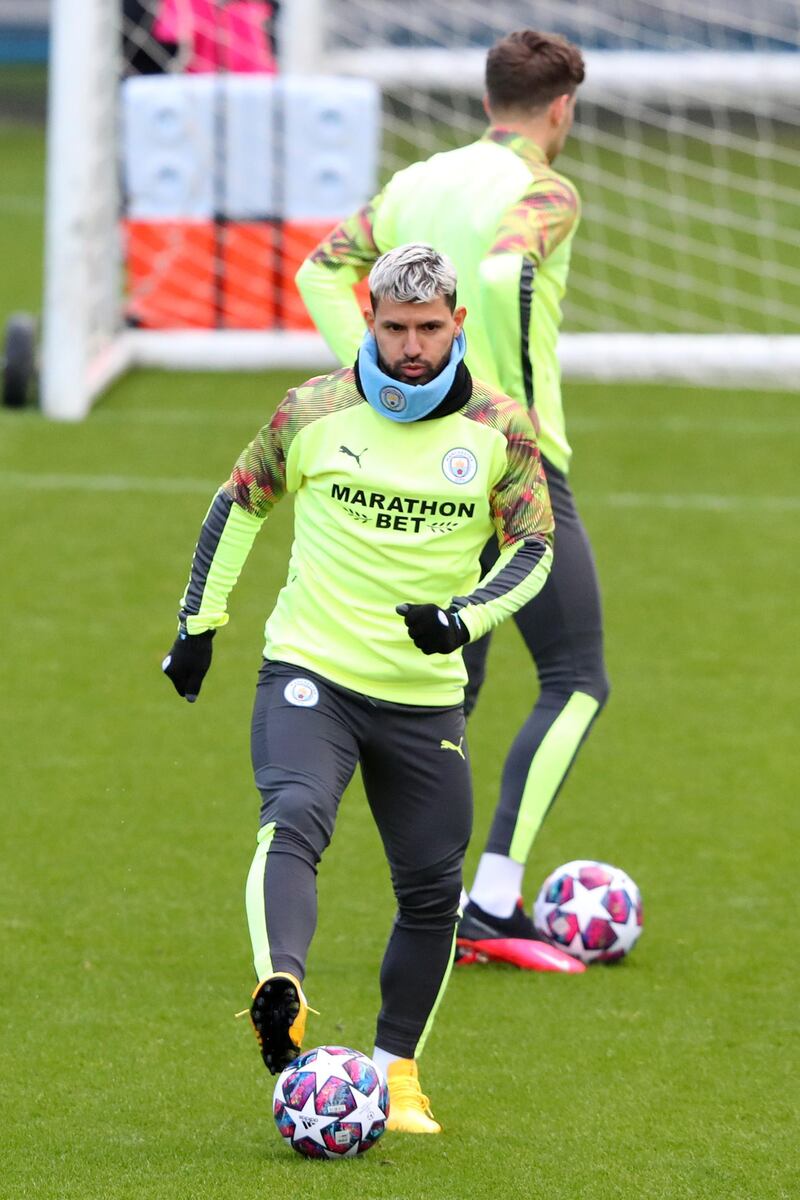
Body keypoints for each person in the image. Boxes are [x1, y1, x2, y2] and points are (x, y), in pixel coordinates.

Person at [162, 244, 555, 1132]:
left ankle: (398, 1075)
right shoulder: (314, 410)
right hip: (313, 670)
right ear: (368, 320)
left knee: (430, 886)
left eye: (427, 329)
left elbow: (535, 551)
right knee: (294, 811)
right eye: (393, 328)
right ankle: (283, 989)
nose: (411, 347)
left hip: (424, 695)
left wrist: (464, 617)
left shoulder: (500, 427)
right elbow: (239, 502)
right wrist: (199, 624)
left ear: (457, 323)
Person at [295, 29, 608, 974]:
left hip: (421, 462)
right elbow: (511, 268)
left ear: (487, 101)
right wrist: (482, 394)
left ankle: (427, 906)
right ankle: (497, 900)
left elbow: (322, 268)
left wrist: (388, 385)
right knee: (575, 678)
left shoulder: (416, 185)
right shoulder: (547, 190)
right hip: (511, 464)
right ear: (561, 109)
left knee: (449, 686)